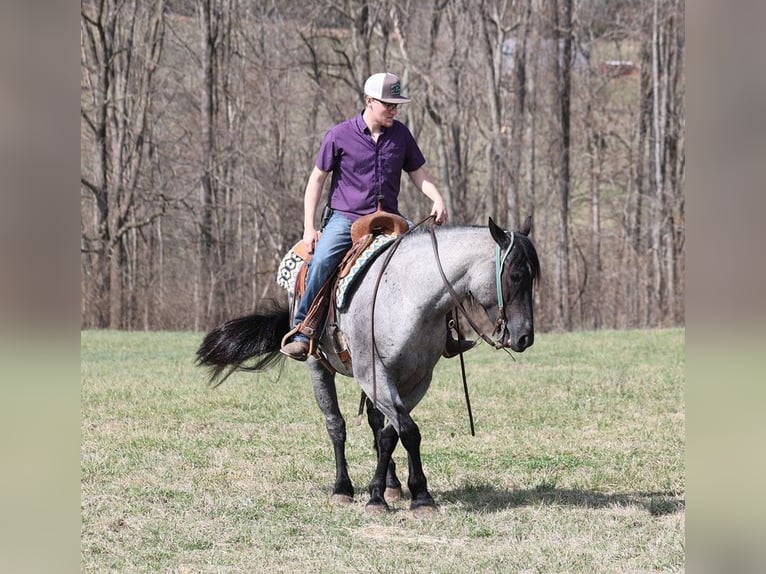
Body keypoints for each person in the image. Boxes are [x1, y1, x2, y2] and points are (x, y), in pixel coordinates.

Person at [281, 72, 449, 361]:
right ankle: (303, 329)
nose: (394, 110)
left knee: (435, 255)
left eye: (397, 105)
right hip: (346, 218)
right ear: (369, 102)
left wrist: (437, 198)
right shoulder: (339, 135)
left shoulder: (401, 135)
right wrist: (309, 228)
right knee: (322, 260)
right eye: (389, 105)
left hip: (390, 219)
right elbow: (316, 180)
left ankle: (447, 333)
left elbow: (418, 174)